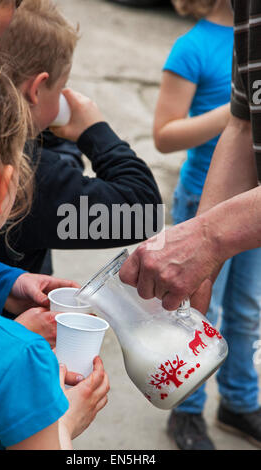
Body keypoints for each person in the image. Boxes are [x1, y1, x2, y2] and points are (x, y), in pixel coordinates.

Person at [120, 0, 261, 449]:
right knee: (197, 311)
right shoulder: (195, 46)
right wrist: (208, 232)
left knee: (246, 310)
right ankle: (187, 407)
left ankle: (240, 399)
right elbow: (175, 134)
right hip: (204, 198)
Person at [0, 56, 109, 450]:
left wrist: (9, 292)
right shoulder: (21, 362)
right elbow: (140, 209)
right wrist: (66, 420)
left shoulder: (6, 354)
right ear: (0, 189)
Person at [0, 0, 162, 276]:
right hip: (7, 316)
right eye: (62, 87)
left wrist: (43, 122)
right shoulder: (31, 178)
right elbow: (142, 213)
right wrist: (95, 131)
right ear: (36, 89)